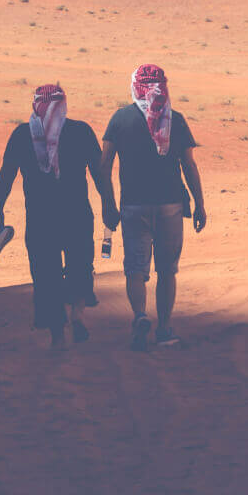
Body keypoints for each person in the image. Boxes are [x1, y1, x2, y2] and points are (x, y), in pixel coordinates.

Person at [0, 84, 115, 349]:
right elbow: (100, 173)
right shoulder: (80, 131)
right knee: (80, 266)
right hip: (77, 215)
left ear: (35, 105)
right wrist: (109, 205)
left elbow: (6, 175)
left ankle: (58, 335)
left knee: (46, 275)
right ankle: (78, 315)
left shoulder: (22, 135)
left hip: (40, 219)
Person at [98, 64, 207, 351]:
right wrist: (199, 204)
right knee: (167, 270)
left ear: (135, 87)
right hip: (171, 205)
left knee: (135, 268)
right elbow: (189, 166)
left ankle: (140, 316)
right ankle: (165, 328)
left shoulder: (120, 119)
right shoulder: (177, 120)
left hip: (133, 206)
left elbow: (104, 165)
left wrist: (107, 203)